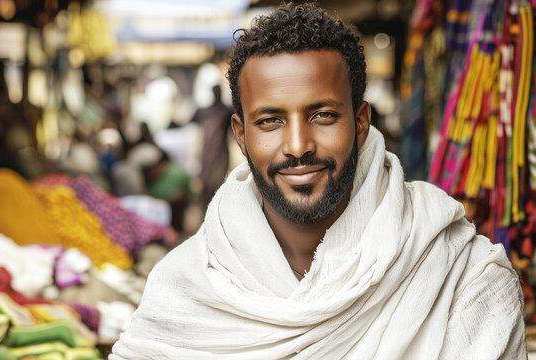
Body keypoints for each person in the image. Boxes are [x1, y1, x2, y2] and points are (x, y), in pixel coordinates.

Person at [110, 4, 526, 359]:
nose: (297, 146)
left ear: (361, 122)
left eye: (322, 115)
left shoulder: (461, 275)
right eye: (270, 121)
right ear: (241, 134)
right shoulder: (185, 290)